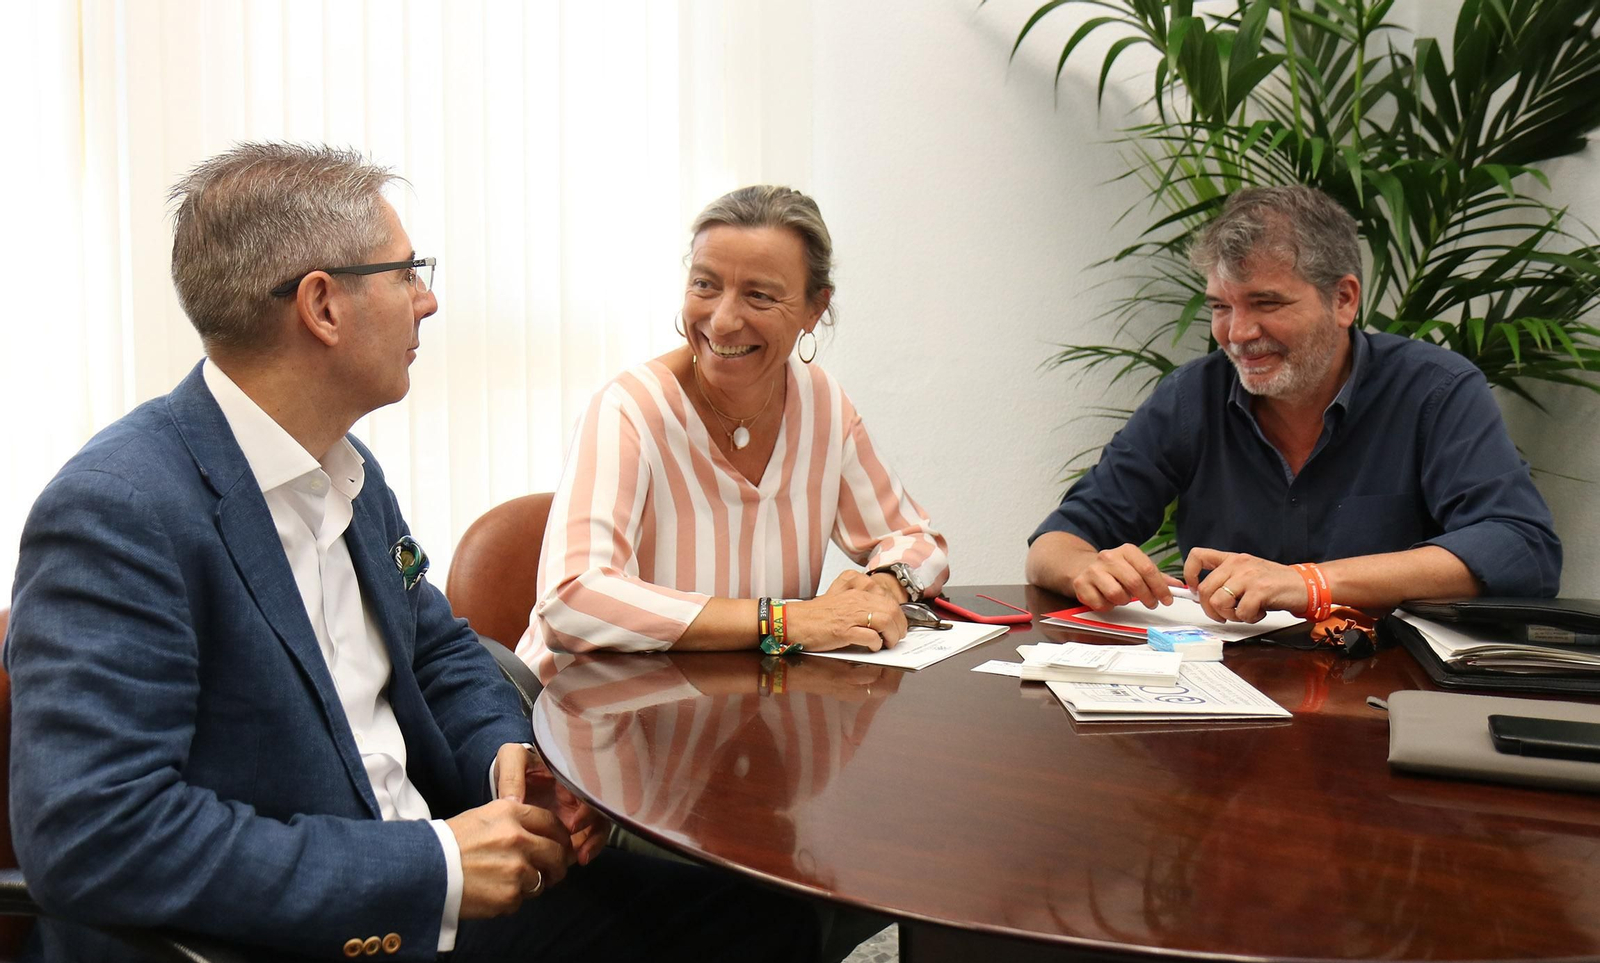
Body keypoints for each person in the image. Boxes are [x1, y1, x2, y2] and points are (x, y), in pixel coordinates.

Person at [3, 143, 820, 963]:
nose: (427, 298)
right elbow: (95, 834)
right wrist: (430, 864)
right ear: (322, 305)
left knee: (761, 930)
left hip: (419, 896)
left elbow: (439, 649)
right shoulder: (121, 510)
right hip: (268, 962)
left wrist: (504, 754)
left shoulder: (347, 471)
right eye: (406, 273)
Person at [1026, 184, 1561, 623]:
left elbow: (1520, 547)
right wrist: (1086, 570)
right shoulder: (1193, 395)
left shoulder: (1436, 390)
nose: (1237, 334)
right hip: (1222, 695)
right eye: (1220, 306)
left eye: (1266, 303)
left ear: (1344, 299)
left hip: (1387, 694)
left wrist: (1310, 582)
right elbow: (1054, 542)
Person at [518, 185, 949, 683]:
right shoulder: (629, 408)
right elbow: (571, 600)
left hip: (742, 708)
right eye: (705, 285)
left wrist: (883, 585)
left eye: (759, 295)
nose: (722, 321)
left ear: (814, 309)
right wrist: (781, 620)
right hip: (588, 716)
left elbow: (915, 539)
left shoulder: (823, 405)